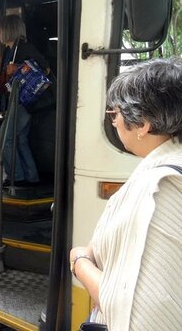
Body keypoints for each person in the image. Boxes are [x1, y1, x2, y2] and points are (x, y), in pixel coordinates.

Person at [70, 58, 182, 331]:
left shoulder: (160, 189)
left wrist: (79, 261)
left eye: (115, 114)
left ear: (142, 124)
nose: (115, 122)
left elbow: (138, 312)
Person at [0, 14, 50, 188]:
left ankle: (15, 177)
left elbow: (45, 68)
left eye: (0, 29)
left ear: (8, 29)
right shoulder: (10, 50)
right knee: (20, 138)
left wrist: (19, 68)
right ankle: (30, 177)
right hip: (19, 101)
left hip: (24, 101)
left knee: (4, 137)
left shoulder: (24, 47)